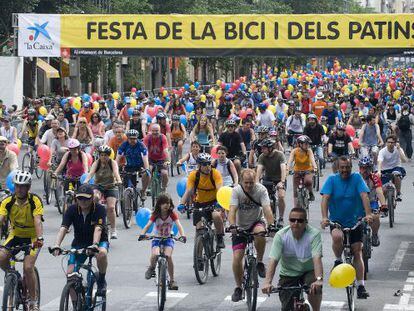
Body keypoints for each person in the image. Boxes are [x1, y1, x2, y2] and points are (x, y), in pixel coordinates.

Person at [320, 156, 373, 299]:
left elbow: (364, 196)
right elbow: (325, 198)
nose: (345, 170)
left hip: (355, 220)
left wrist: (368, 214)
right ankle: (338, 259)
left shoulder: (356, 178)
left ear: (351, 167)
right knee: (337, 237)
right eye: (342, 167)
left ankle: (361, 285)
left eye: (347, 167)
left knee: (357, 251)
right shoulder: (332, 180)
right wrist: (325, 217)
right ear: (338, 168)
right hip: (337, 220)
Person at [50, 184, 109, 296]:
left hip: (98, 241)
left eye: (86, 198)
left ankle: (101, 279)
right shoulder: (72, 209)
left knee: (102, 254)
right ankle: (76, 303)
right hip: (79, 243)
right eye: (80, 198)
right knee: (70, 275)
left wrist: (95, 244)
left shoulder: (99, 209)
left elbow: (98, 228)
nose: (83, 201)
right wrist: (56, 245)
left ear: (92, 198)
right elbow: (64, 228)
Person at [262, 207, 323, 311]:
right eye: (292, 220)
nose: (296, 223)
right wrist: (267, 282)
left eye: (300, 221)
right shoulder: (281, 235)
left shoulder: (314, 234)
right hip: (289, 273)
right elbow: (273, 260)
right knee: (287, 307)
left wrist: (319, 280)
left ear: (306, 223)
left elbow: (317, 259)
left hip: (309, 271)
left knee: (314, 289)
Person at [229, 169, 275, 302]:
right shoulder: (237, 191)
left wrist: (271, 225)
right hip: (240, 226)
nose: (249, 185)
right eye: (246, 183)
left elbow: (267, 208)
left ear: (256, 181)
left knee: (260, 233)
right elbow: (232, 210)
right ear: (241, 181)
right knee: (237, 258)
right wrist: (232, 225)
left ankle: (259, 262)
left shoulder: (261, 190)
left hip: (256, 222)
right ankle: (238, 288)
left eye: (251, 183)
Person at [0, 171, 44, 311]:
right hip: (16, 235)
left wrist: (39, 238)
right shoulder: (7, 201)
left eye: (23, 186)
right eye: (17, 186)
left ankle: (33, 301)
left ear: (28, 187)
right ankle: (14, 276)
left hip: (32, 237)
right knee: (1, 257)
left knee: (28, 267)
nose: (19, 189)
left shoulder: (34, 200)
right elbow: (1, 220)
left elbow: (37, 221)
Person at [139, 194, 186, 290]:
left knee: (168, 256)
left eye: (168, 203)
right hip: (157, 239)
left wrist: (183, 235)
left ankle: (172, 280)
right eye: (164, 203)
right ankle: (152, 268)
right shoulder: (155, 215)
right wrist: (142, 234)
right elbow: (148, 225)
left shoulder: (172, 214)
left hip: (168, 239)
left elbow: (179, 225)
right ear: (159, 204)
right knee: (155, 255)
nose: (166, 205)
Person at [177, 153, 225, 248]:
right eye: (204, 164)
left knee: (216, 216)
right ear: (199, 165)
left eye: (208, 164)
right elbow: (188, 191)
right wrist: (182, 204)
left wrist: (220, 203)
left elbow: (220, 189)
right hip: (199, 203)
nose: (207, 167)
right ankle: (198, 260)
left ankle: (220, 237)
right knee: (199, 229)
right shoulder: (194, 175)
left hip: (214, 202)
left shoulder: (215, 173)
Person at [85, 145, 122, 240]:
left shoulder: (112, 163)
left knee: (111, 207)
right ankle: (94, 220)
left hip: (111, 186)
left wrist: (118, 180)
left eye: (105, 155)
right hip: (99, 186)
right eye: (101, 155)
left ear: (109, 156)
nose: (103, 157)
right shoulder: (96, 163)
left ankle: (113, 229)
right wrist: (86, 181)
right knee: (95, 199)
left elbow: (116, 172)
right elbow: (91, 173)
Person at [256, 138, 287, 228]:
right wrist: (257, 182)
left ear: (270, 148)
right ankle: (268, 218)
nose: (262, 150)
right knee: (265, 198)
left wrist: (282, 181)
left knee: (281, 196)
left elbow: (283, 168)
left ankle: (281, 217)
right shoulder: (262, 156)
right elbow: (259, 169)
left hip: (280, 178)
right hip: (268, 178)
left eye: (264, 148)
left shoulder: (279, 155)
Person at [358, 156, 386, 246]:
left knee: (376, 217)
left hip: (371, 202)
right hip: (357, 203)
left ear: (371, 168)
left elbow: (379, 191)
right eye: (362, 167)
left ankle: (374, 234)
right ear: (359, 168)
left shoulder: (374, 177)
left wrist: (383, 205)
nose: (364, 170)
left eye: (367, 168)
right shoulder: (355, 177)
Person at [116, 129, 151, 199]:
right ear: (127, 138)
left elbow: (145, 158)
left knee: (147, 174)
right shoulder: (124, 145)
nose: (132, 140)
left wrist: (146, 168)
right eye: (130, 139)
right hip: (129, 166)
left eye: (134, 139)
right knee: (126, 183)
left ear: (137, 138)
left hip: (139, 166)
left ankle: (143, 191)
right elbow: (117, 158)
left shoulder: (141, 145)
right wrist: (115, 168)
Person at [286, 135, 317, 206]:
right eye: (306, 144)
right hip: (297, 171)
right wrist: (287, 169)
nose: (307, 145)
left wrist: (315, 167)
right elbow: (290, 161)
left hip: (308, 170)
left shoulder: (309, 151)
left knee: (308, 181)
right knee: (295, 192)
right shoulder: (294, 151)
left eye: (308, 144)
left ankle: (310, 193)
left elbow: (312, 159)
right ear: (300, 144)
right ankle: (296, 208)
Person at [377, 134, 407, 201]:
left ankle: (398, 193)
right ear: (386, 143)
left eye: (392, 142)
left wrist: (399, 149)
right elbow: (379, 161)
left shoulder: (398, 149)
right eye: (388, 142)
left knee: (397, 174)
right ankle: (384, 206)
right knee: (383, 190)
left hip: (396, 168)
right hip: (384, 170)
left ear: (395, 143)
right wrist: (379, 171)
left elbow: (404, 160)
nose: (390, 144)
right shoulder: (382, 151)